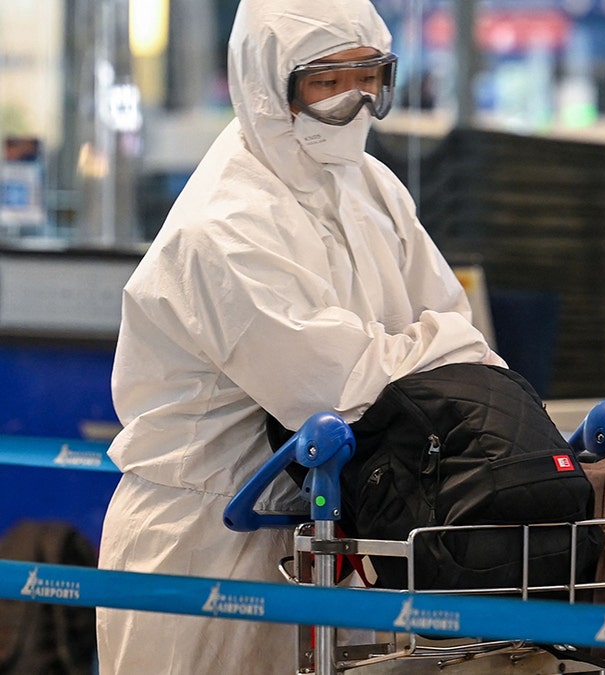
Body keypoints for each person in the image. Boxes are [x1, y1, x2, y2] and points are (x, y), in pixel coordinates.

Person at [95, 1, 505, 673]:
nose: (356, 102)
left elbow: (475, 351)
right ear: (267, 87)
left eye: (369, 77)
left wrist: (420, 354)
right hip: (207, 552)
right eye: (327, 83)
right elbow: (338, 391)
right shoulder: (225, 224)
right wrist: (435, 349)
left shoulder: (373, 190)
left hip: (327, 540)